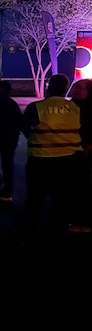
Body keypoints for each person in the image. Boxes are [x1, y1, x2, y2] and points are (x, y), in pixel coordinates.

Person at [19, 73, 83, 246]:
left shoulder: (36, 107)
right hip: (69, 161)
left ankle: (27, 236)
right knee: (62, 200)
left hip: (41, 160)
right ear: (65, 88)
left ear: (48, 87)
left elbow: (25, 128)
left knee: (35, 200)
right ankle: (60, 236)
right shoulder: (76, 108)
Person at [0, 80, 23, 202]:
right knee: (7, 164)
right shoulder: (12, 104)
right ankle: (6, 190)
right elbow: (20, 122)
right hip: (10, 139)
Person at [68, 78, 92, 233]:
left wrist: (86, 151)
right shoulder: (72, 104)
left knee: (83, 187)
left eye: (80, 88)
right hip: (72, 150)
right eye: (75, 87)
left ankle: (83, 222)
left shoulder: (89, 107)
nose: (77, 91)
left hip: (85, 151)